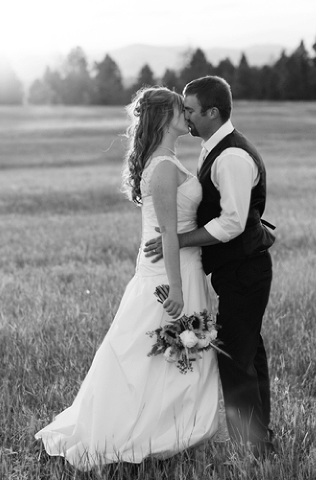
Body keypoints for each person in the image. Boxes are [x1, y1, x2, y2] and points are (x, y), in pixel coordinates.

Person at [35, 87, 220, 470]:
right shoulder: (165, 167)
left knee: (165, 355)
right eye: (178, 109)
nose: (186, 114)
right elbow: (168, 233)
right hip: (171, 274)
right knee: (158, 354)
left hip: (176, 266)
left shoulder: (165, 160)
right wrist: (178, 289)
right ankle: (150, 431)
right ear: (164, 119)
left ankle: (169, 428)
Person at [144, 75, 277, 458]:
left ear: (212, 112)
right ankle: (258, 439)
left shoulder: (231, 156)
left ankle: (251, 448)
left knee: (235, 357)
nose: (184, 115)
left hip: (245, 270)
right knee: (248, 353)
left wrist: (180, 240)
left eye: (190, 109)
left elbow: (233, 222)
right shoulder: (213, 147)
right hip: (236, 269)